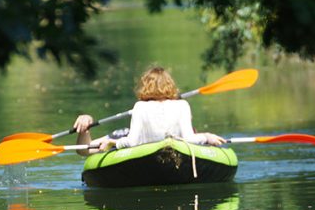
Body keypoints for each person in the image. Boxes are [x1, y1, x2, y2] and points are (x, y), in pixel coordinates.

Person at [73, 66, 226, 154]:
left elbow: (132, 142)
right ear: (171, 85)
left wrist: (113, 143)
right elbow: (190, 138)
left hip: (137, 156)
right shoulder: (182, 105)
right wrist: (207, 136)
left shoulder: (140, 107)